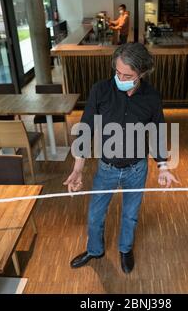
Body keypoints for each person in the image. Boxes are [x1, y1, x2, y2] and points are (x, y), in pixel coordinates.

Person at [65, 43, 179, 274]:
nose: (120, 78)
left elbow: (157, 132)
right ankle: (95, 250)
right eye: (117, 72)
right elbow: (85, 130)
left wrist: (164, 167)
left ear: (142, 74)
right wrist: (77, 169)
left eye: (128, 75)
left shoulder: (152, 96)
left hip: (136, 169)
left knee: (130, 215)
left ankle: (125, 249)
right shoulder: (100, 90)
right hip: (106, 168)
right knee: (95, 215)